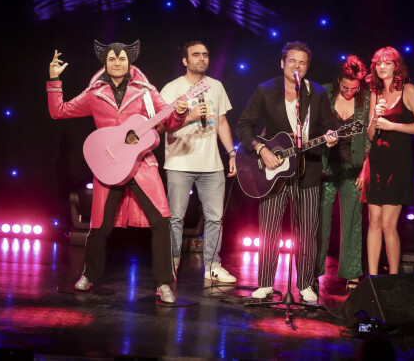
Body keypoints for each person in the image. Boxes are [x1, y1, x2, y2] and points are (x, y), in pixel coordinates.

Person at [47, 40, 188, 304]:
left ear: (130, 62)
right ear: (105, 62)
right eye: (112, 58)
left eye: (122, 58)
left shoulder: (147, 91)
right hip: (109, 165)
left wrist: (180, 113)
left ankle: (165, 284)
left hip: (141, 165)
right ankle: (89, 275)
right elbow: (59, 111)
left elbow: (168, 121)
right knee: (99, 226)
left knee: (161, 222)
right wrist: (54, 80)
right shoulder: (94, 93)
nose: (117, 63)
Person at [236, 41, 338, 302]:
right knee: (269, 229)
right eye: (292, 61)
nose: (297, 66)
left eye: (303, 62)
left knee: (307, 230)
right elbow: (245, 125)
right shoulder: (266, 90)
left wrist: (331, 137)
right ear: (282, 63)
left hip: (309, 169)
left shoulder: (316, 93)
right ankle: (265, 284)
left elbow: (329, 126)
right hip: (273, 172)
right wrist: (260, 149)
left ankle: (305, 284)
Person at [159, 41, 237, 283]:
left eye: (205, 54)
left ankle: (213, 266)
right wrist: (191, 116)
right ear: (185, 60)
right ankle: (171, 264)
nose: (202, 59)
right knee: (175, 219)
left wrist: (231, 153)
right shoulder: (172, 89)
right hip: (179, 163)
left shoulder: (216, 86)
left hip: (211, 165)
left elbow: (222, 121)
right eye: (196, 55)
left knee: (215, 218)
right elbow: (161, 126)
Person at [360, 46, 414, 275]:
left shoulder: (408, 90)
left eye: (387, 63)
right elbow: (371, 135)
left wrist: (392, 126)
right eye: (378, 63)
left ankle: (393, 278)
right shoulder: (375, 92)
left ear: (396, 66)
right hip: (376, 161)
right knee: (374, 222)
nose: (382, 67)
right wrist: (376, 117)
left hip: (398, 164)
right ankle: (372, 278)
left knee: (389, 225)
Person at [315, 54, 370, 290]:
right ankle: (312, 273)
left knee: (352, 220)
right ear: (338, 80)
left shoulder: (366, 99)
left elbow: (371, 138)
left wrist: (366, 169)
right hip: (326, 165)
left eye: (354, 88)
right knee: (319, 220)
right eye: (345, 87)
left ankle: (352, 273)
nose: (349, 92)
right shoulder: (324, 93)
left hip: (354, 166)